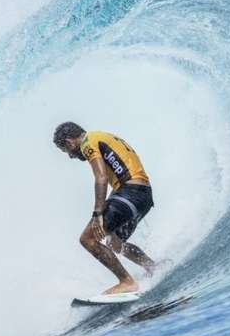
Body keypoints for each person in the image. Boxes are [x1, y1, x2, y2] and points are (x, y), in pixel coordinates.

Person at [54, 121, 156, 294]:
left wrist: (98, 214)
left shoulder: (88, 142)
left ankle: (127, 282)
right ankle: (153, 267)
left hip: (130, 191)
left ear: (70, 142)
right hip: (144, 196)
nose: (70, 156)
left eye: (66, 151)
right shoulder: (102, 136)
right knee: (115, 243)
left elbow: (100, 178)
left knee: (88, 239)